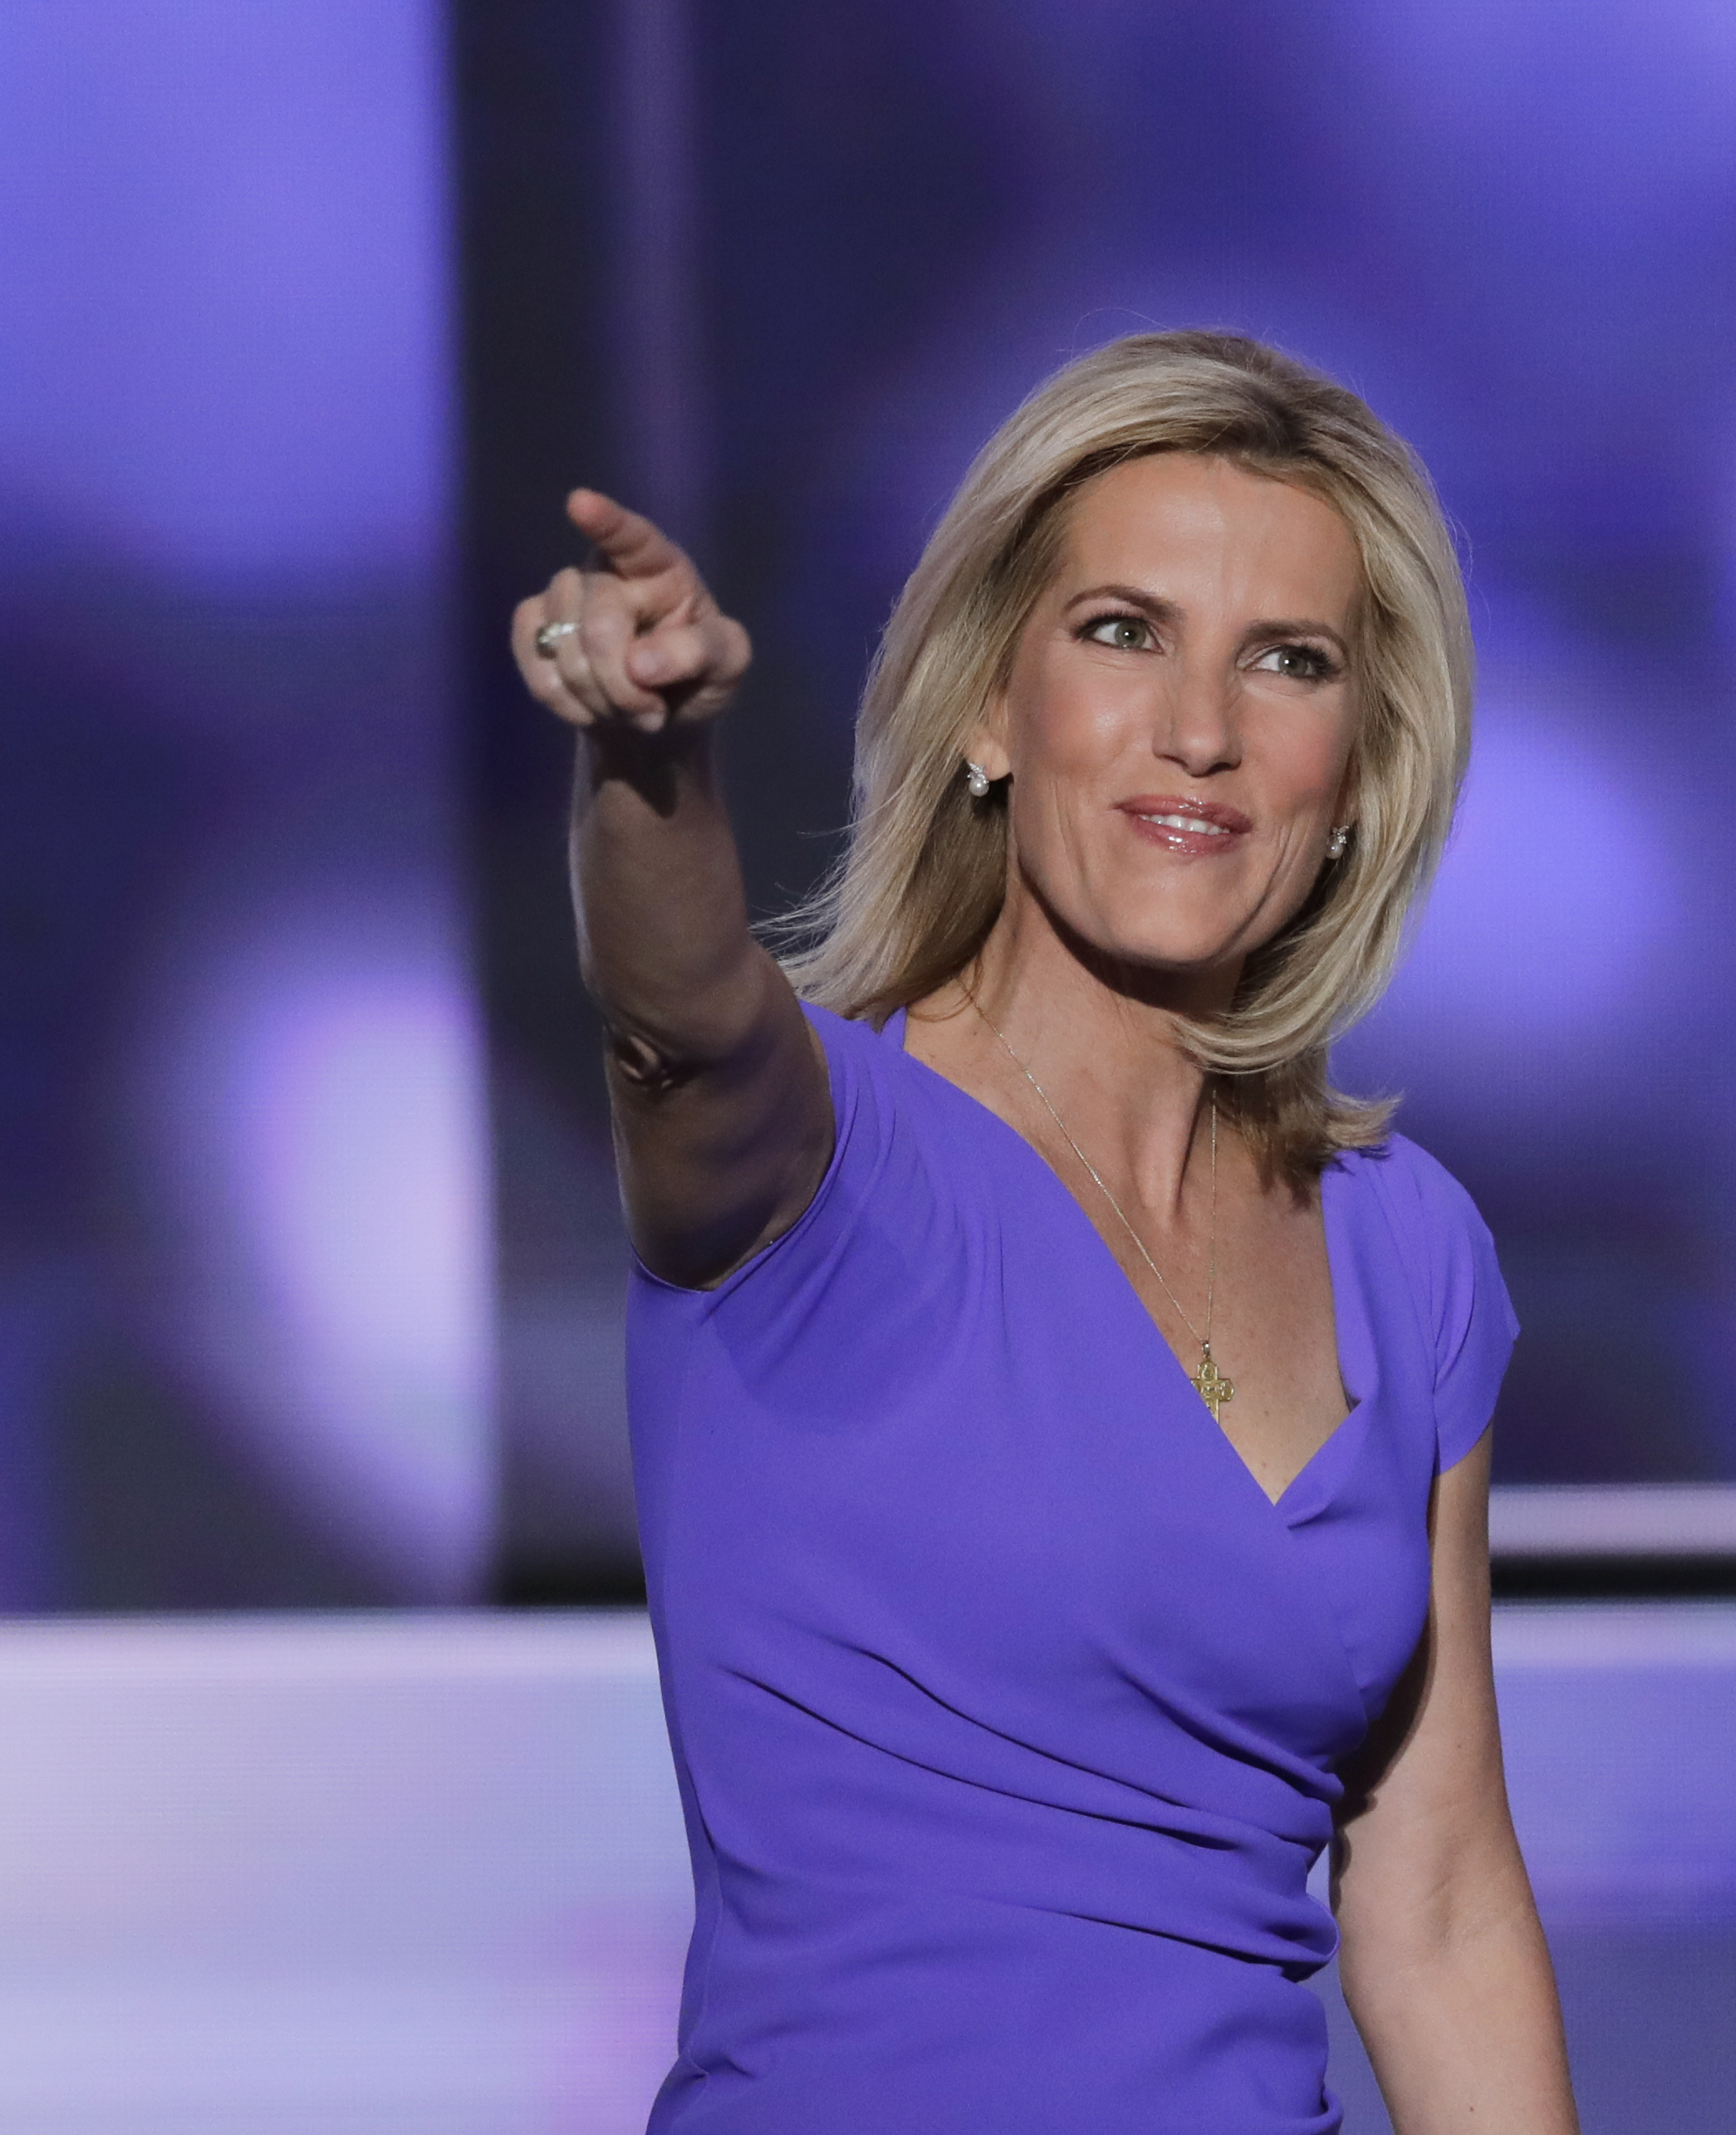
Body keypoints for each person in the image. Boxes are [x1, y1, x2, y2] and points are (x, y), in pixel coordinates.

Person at [510, 330, 1582, 2134]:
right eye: (1120, 630)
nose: (1200, 728)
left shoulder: (1411, 1249)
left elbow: (1442, 1904)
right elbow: (680, 1008)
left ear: (1355, 776)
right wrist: (650, 764)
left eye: (1287, 662)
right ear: (986, 710)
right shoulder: (815, 1160)